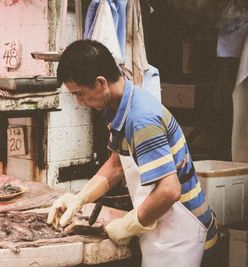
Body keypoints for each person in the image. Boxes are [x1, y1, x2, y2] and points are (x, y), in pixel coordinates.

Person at [47, 40, 217, 267]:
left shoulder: (141, 119)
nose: (79, 102)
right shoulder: (116, 108)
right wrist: (80, 199)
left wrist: (129, 224)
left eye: (80, 94)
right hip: (162, 224)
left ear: (100, 83)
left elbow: (169, 190)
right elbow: (117, 163)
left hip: (183, 233)